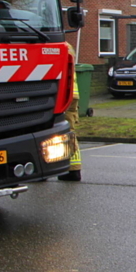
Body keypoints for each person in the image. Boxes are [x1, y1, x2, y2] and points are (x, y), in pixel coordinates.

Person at [58, 42, 82, 181]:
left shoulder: (55, 47)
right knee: (69, 130)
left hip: (62, 95)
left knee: (62, 132)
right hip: (71, 94)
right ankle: (73, 169)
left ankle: (72, 170)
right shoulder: (67, 46)